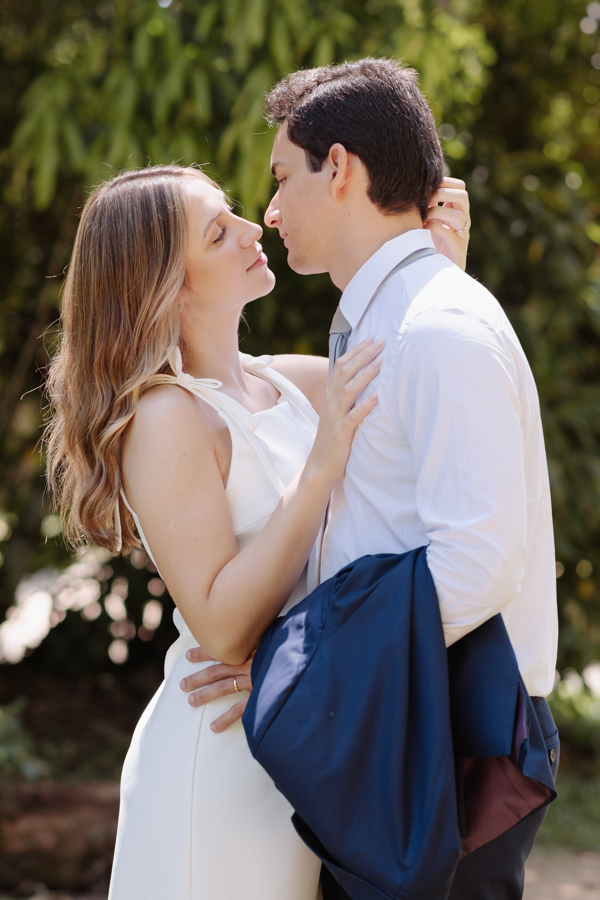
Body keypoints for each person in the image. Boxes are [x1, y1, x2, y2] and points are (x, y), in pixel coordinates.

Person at [182, 58, 559, 900]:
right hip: (408, 721)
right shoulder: (389, 317)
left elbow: (479, 563)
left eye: (283, 176)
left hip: (451, 737)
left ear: (340, 168)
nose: (271, 210)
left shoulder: (438, 329)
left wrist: (303, 672)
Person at [43, 161, 470, 899]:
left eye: (234, 213)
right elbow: (223, 627)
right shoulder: (165, 416)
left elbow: (417, 378)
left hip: (299, 744)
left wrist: (439, 266)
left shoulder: (289, 382)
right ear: (170, 287)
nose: (253, 228)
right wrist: (321, 467)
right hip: (221, 760)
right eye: (218, 233)